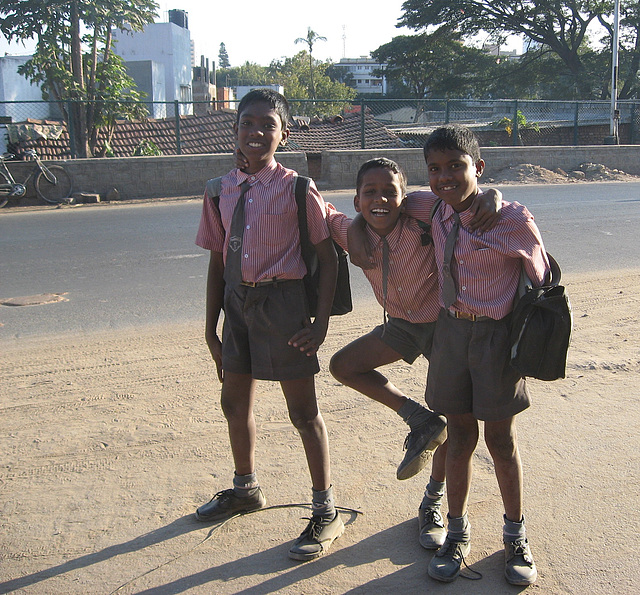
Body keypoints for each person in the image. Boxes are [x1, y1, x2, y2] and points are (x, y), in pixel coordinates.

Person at [194, 88, 343, 562]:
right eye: (247, 123)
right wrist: (210, 329)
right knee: (233, 403)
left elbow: (326, 257)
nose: (256, 132)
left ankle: (326, 508)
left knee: (303, 412)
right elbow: (219, 261)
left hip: (284, 306)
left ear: (284, 132)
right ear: (234, 128)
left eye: (268, 124)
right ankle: (245, 489)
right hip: (238, 307)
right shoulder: (219, 189)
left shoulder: (299, 188)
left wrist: (319, 325)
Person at [327, 157, 501, 550]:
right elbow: (320, 212)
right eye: (370, 193)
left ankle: (434, 502)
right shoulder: (347, 227)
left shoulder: (423, 210)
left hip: (444, 326)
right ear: (356, 201)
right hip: (402, 327)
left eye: (390, 192)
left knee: (458, 421)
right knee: (344, 365)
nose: (381, 200)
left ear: (405, 198)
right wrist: (354, 228)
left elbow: (463, 198)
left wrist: (493, 193)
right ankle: (418, 418)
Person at [421, 125, 548, 585]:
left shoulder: (512, 218)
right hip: (451, 336)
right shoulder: (433, 210)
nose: (444, 177)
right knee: (458, 439)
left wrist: (533, 343)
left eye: (456, 166)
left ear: (479, 166)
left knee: (501, 442)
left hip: (496, 340)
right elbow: (383, 205)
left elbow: (543, 282)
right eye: (435, 169)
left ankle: (515, 535)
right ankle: (457, 532)